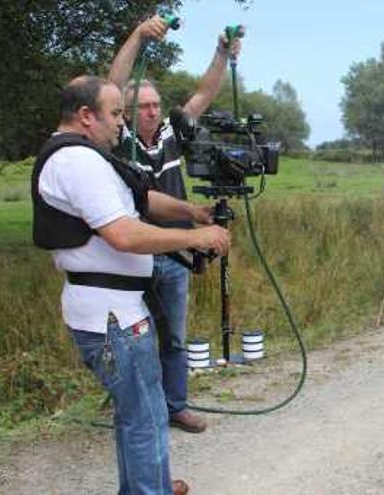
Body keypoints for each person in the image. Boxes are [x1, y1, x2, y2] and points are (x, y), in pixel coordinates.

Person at [32, 76, 231, 494]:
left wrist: (191, 211)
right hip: (112, 317)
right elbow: (124, 233)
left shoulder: (91, 157)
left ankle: (149, 484)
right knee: (144, 416)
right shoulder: (77, 162)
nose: (121, 124)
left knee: (141, 412)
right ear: (87, 116)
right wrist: (197, 238)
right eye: (116, 114)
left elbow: (140, 197)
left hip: (115, 311)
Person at [108, 16, 241, 433]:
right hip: (134, 252)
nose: (150, 111)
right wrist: (137, 35)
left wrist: (221, 53)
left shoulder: (169, 132)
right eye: (142, 105)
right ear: (128, 111)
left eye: (154, 105)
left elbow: (204, 93)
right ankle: (141, 408)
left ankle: (175, 405)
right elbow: (112, 84)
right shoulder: (120, 136)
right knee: (137, 339)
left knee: (176, 338)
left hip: (176, 253)